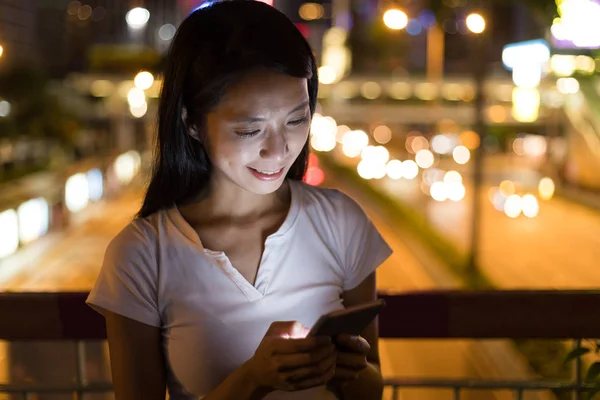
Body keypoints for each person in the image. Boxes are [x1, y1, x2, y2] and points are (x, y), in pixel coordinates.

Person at [86, 1, 392, 399]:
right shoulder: (143, 255)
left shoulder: (341, 222)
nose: (279, 150)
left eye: (297, 120)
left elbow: (372, 389)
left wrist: (343, 369)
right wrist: (253, 380)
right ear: (191, 122)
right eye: (250, 129)